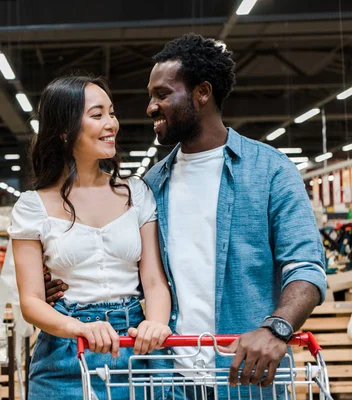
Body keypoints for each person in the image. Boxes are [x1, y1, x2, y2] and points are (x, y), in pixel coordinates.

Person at [45, 34, 327, 399]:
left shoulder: (270, 171)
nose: (150, 107)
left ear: (202, 93)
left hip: (246, 375)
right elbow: (126, 268)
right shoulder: (149, 186)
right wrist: (64, 284)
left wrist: (276, 328)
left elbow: (306, 266)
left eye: (162, 94)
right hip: (165, 379)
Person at [9, 75, 172, 399]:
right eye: (97, 115)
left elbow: (153, 280)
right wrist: (79, 328)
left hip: (135, 345)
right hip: (65, 351)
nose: (111, 123)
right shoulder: (32, 206)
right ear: (64, 129)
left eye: (111, 113)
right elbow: (30, 301)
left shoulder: (135, 193)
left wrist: (157, 323)